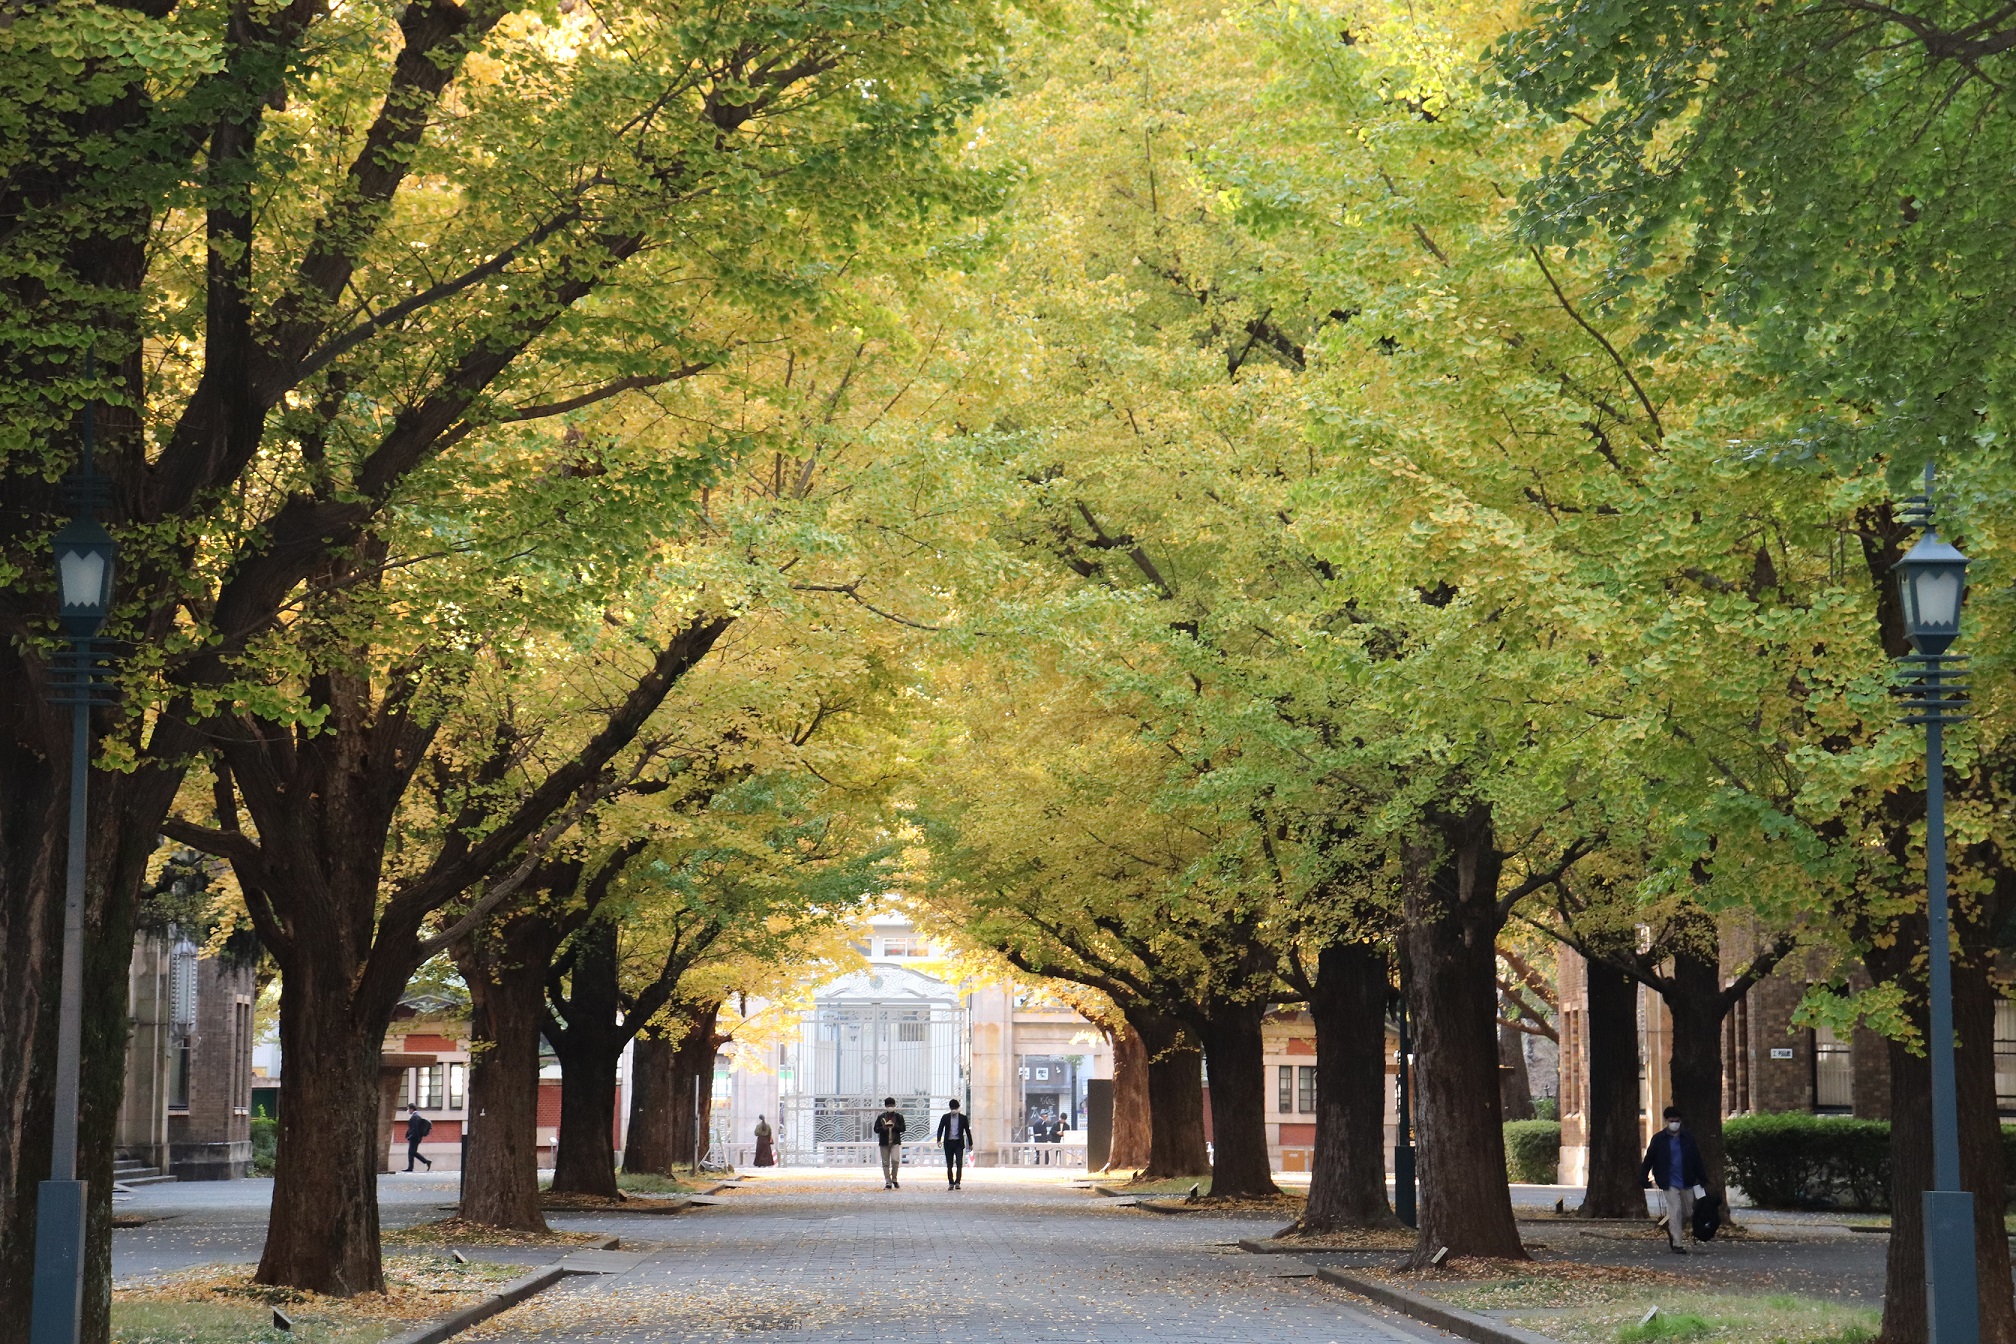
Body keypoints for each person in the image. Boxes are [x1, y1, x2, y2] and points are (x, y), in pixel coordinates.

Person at [1640, 1105, 1707, 1254]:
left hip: (1687, 1180)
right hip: (1668, 1181)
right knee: (1675, 1210)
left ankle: (1670, 1226)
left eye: (1677, 1121)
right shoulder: (1659, 1140)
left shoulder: (1687, 1139)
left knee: (1688, 1211)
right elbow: (1649, 1159)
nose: (1674, 1123)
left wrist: (1702, 1177)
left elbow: (1697, 1159)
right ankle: (1677, 1243)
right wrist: (1643, 1176)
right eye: (1671, 1121)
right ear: (1666, 1121)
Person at [935, 1099, 972, 1189]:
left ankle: (958, 1182)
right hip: (948, 1143)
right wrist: (938, 1140)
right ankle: (951, 1182)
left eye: (955, 1108)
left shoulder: (963, 1118)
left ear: (958, 1108)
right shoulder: (945, 1117)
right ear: (950, 1108)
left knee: (959, 1163)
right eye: (952, 1108)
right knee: (949, 1164)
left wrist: (970, 1143)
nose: (954, 1110)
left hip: (958, 1143)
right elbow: (940, 1129)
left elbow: (967, 1131)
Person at [873, 1097, 906, 1189]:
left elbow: (903, 1128)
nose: (890, 1107)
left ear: (894, 1105)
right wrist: (884, 1128)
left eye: (892, 1105)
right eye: (888, 1105)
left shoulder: (899, 1117)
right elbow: (876, 1129)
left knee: (895, 1160)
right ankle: (888, 1181)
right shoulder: (881, 1117)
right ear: (885, 1106)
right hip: (884, 1142)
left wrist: (894, 1126)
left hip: (895, 1142)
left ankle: (894, 1179)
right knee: (885, 1162)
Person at [404, 1103, 433, 1172]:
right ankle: (412, 1166)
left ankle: (425, 1162)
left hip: (414, 1138)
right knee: (412, 1152)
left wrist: (411, 1136)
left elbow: (414, 1128)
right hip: (416, 1137)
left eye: (408, 1109)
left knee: (412, 1152)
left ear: (411, 1109)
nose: (408, 1111)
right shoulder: (416, 1116)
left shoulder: (415, 1117)